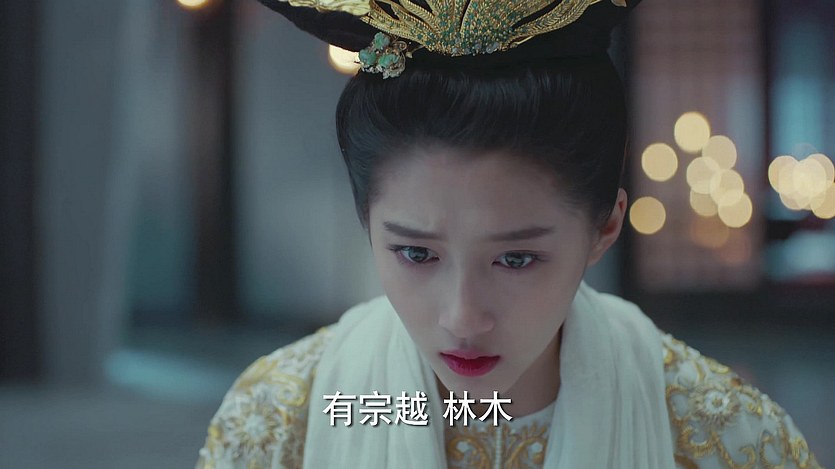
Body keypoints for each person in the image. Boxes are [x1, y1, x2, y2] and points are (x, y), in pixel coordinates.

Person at [196, 0, 821, 467]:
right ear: (367, 222)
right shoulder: (276, 423)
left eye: (517, 258)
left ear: (604, 226)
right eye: (415, 252)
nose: (463, 317)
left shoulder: (728, 439)